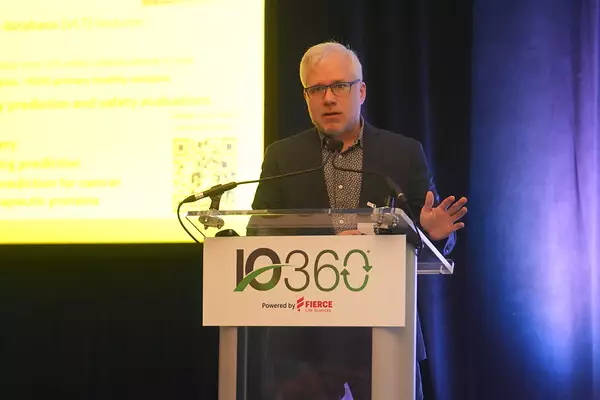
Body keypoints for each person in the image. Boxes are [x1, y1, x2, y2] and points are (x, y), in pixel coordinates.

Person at [251, 41, 467, 399]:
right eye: (317, 89)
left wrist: (431, 233)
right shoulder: (282, 157)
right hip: (304, 340)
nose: (328, 98)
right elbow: (259, 233)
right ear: (305, 97)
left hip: (384, 330)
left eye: (340, 86)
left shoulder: (403, 153)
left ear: (361, 91)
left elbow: (430, 234)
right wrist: (328, 250)